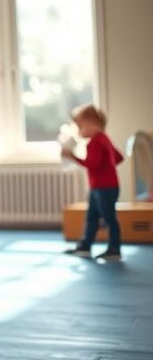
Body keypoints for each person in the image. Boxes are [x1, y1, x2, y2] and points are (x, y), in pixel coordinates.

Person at [63, 103, 124, 263]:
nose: (78, 130)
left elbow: (93, 164)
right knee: (92, 217)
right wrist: (107, 169)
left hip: (103, 188)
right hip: (102, 187)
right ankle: (85, 246)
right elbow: (118, 157)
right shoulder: (105, 139)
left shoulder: (95, 142)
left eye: (80, 126)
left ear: (92, 123)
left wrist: (72, 157)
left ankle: (114, 249)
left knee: (109, 219)